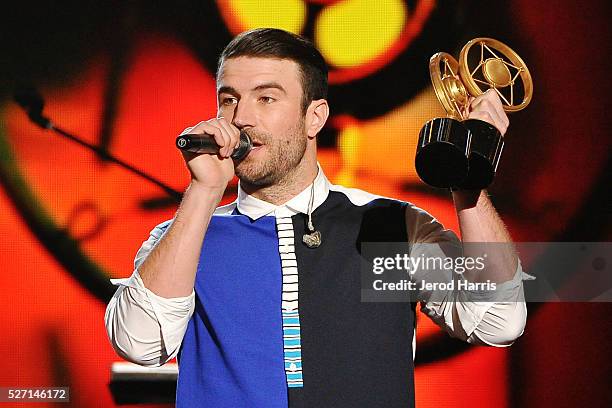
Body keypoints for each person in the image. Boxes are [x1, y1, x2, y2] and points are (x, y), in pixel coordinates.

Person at [105, 28, 527, 407]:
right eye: (229, 99)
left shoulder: (390, 228)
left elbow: (498, 320)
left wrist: (469, 188)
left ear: (315, 117)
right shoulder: (188, 235)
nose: (241, 117)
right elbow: (138, 342)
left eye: (266, 98)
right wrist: (203, 192)